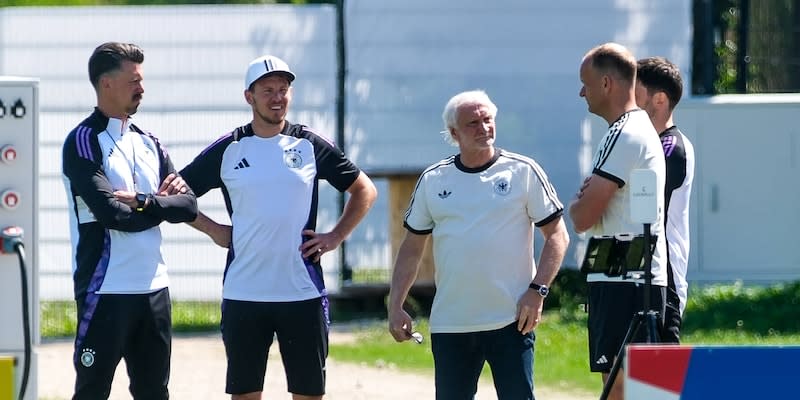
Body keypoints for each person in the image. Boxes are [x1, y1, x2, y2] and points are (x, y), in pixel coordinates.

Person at [178, 54, 377, 400]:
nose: (277, 97)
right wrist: (214, 229)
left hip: (301, 293)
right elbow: (176, 192)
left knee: (309, 393)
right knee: (244, 394)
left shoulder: (309, 144)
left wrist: (335, 237)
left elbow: (364, 190)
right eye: (267, 90)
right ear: (249, 97)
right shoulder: (229, 148)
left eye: (283, 90)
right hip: (244, 293)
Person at [388, 90, 570, 400]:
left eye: (488, 120)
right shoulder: (434, 179)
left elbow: (557, 236)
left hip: (512, 320)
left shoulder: (523, 171)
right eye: (473, 123)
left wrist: (537, 291)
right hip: (451, 324)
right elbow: (412, 247)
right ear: (454, 133)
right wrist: (395, 305)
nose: (483, 128)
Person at [61, 42, 198, 399]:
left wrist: (143, 201)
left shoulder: (150, 141)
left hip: (154, 289)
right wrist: (159, 210)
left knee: (154, 392)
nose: (142, 87)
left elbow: (188, 207)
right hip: (105, 290)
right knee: (92, 392)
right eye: (133, 80)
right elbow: (111, 215)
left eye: (142, 79)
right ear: (106, 83)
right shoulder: (83, 140)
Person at [570, 43, 668, 400]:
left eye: (586, 83)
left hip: (624, 276)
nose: (582, 92)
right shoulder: (632, 128)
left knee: (621, 388)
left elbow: (583, 216)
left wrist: (577, 204)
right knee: (636, 387)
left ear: (607, 83)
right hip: (626, 273)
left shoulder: (624, 133)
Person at [635, 56, 695, 344]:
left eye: (635, 91)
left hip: (665, 280)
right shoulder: (649, 145)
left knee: (660, 383)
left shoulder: (670, 146)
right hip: (643, 278)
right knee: (625, 381)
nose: (628, 100)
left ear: (658, 99)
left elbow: (640, 203)